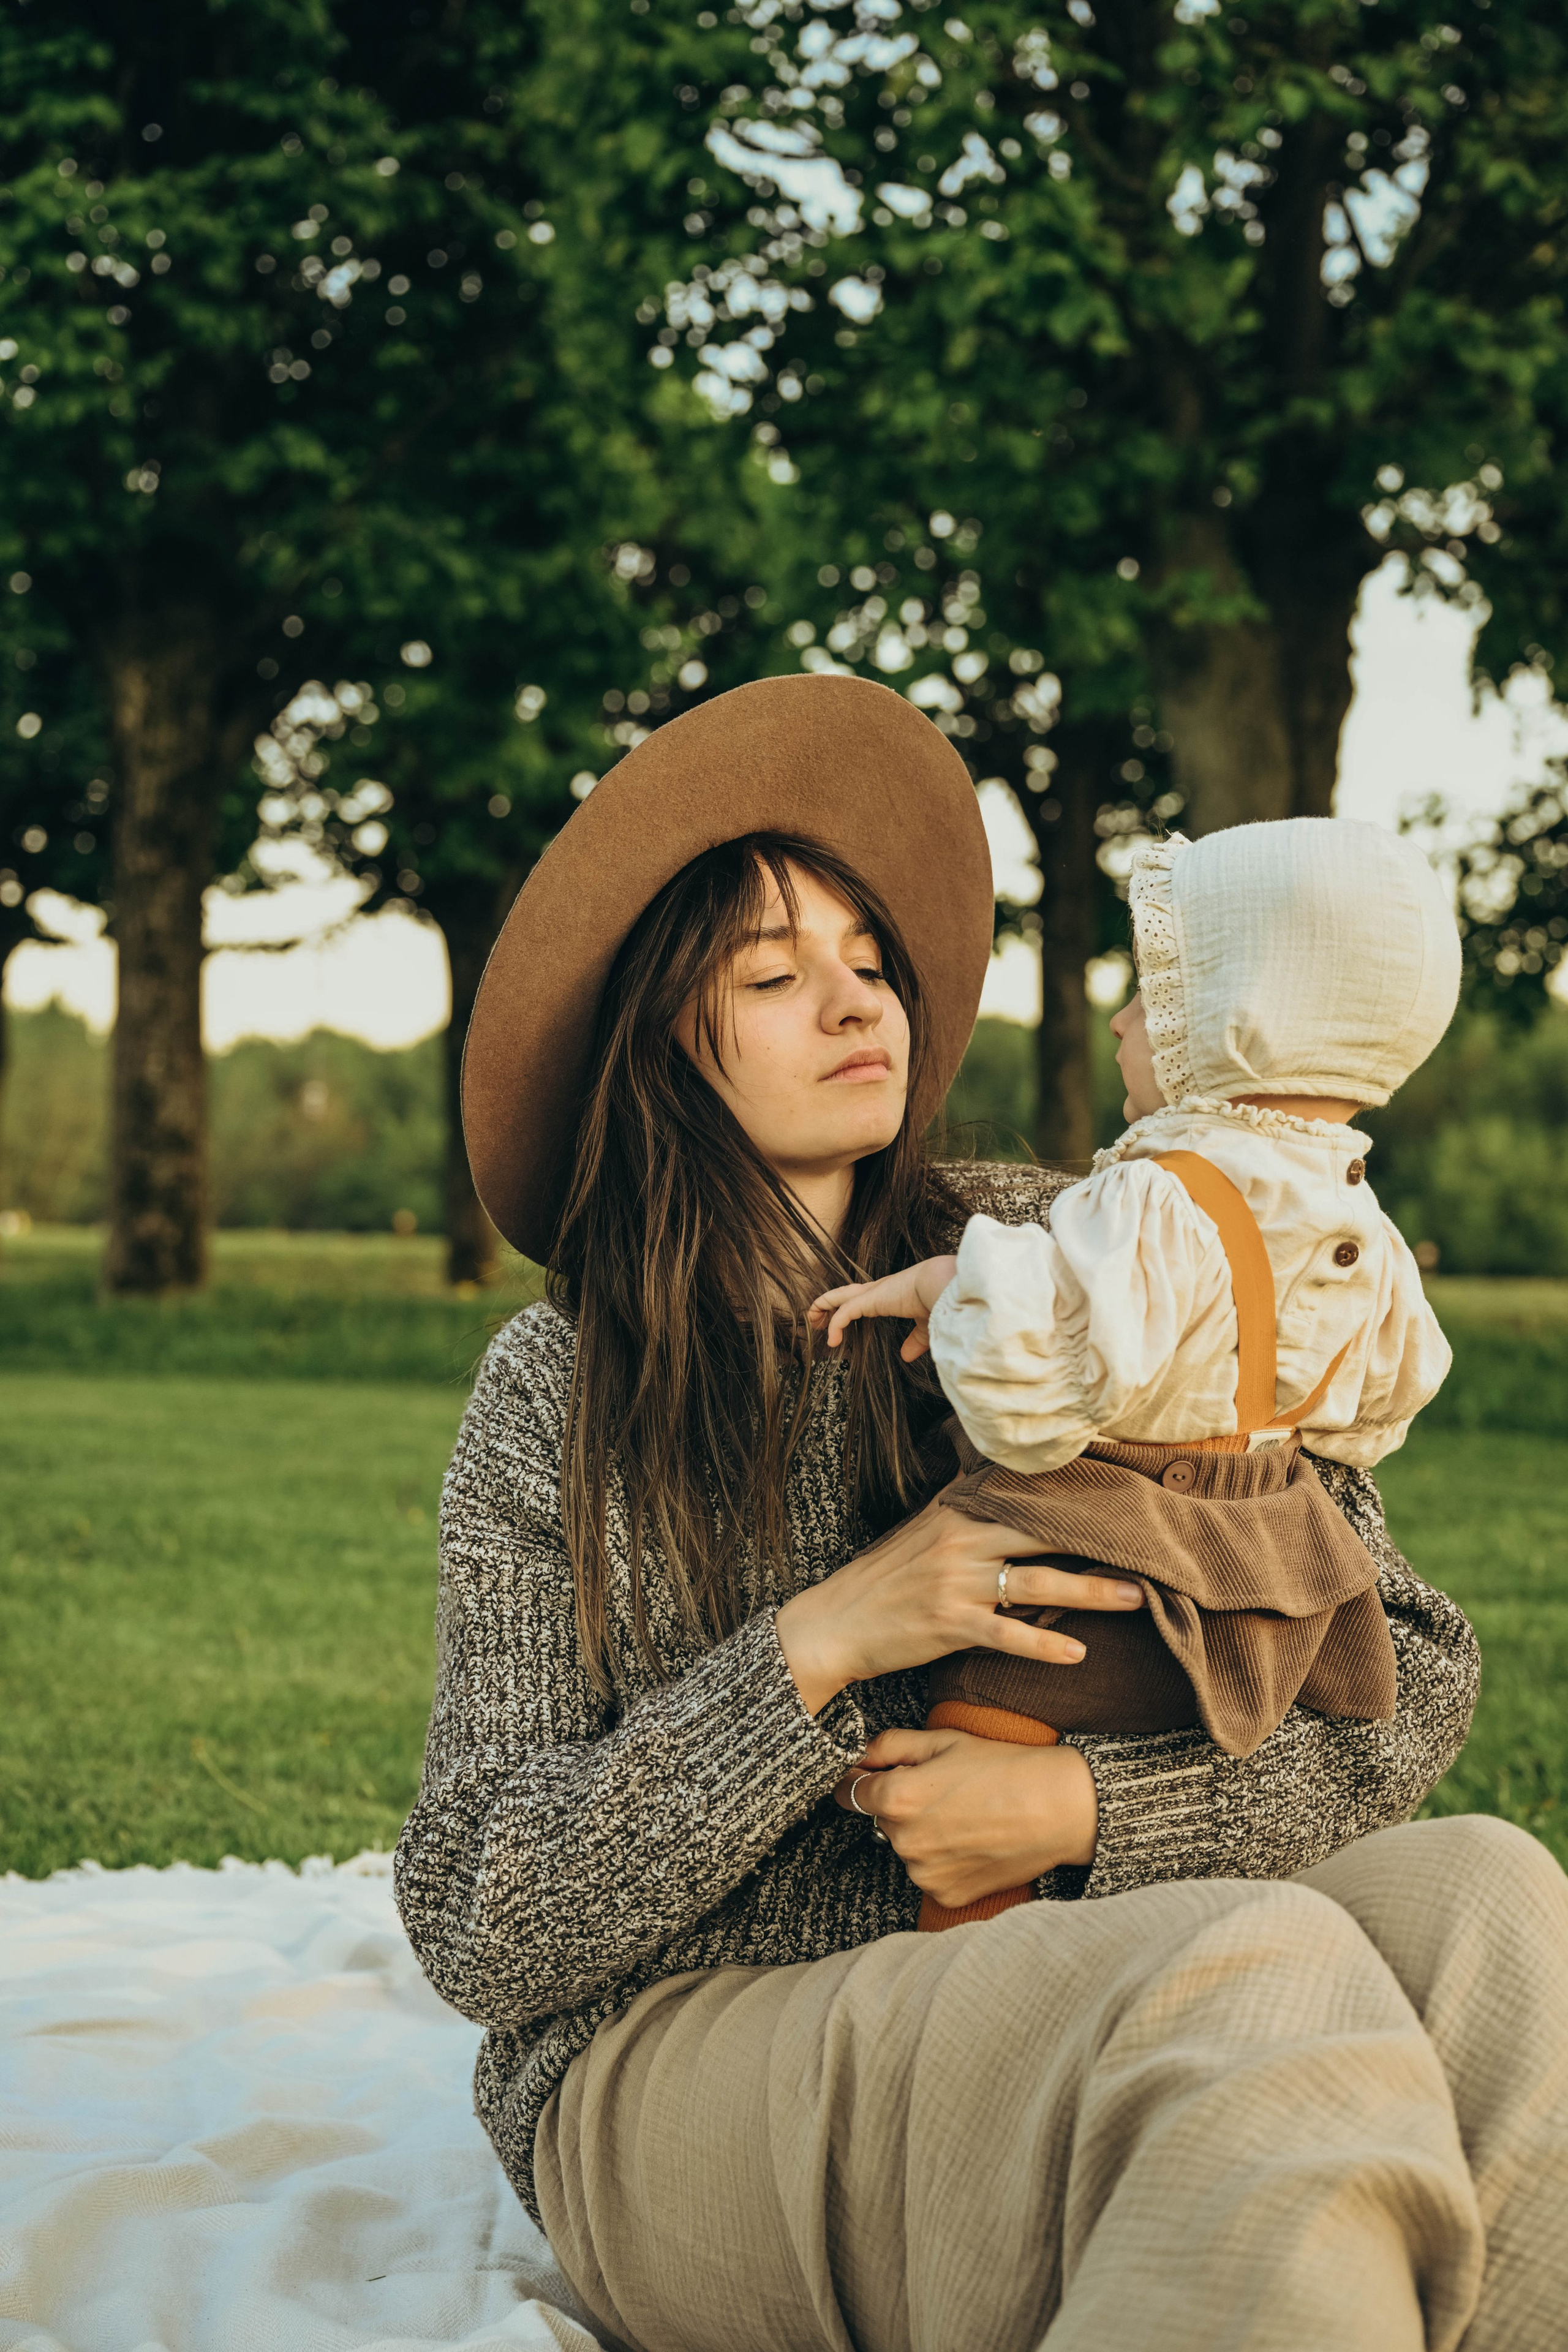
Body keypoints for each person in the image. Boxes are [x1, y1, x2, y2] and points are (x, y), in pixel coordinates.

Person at [394, 674, 1568, 2352]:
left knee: (1499, 1915)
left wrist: (1082, 1812)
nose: (856, 1000)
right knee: (1259, 1982)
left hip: (1075, 1948)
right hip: (683, 2053)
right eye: (775, 974)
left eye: (869, 960)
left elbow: (1411, 1666)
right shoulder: (556, 1392)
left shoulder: (1075, 1249)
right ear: (663, 1034)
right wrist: (830, 1640)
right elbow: (479, 1912)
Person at [810, 820, 1460, 1928]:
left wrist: (959, 1296)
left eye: (1154, 1000)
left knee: (982, 1730)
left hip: (1109, 1545)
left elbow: (1034, 1393)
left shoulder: (1144, 1205)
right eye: (775, 975)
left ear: (1235, 1032)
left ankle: (954, 1961)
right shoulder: (1351, 1217)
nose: (1117, 1019)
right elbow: (1384, 1397)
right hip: (1271, 1555)